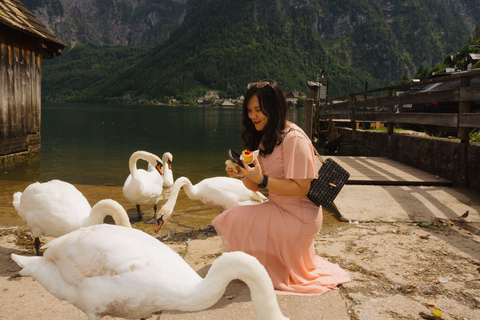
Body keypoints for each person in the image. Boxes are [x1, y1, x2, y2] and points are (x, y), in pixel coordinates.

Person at [212, 79, 351, 295]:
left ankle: (271, 265)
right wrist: (243, 173)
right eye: (249, 110)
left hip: (300, 216)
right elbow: (255, 186)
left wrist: (263, 180)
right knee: (233, 216)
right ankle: (269, 263)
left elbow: (301, 188)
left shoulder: (293, 138)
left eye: (258, 110)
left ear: (274, 108)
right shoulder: (268, 137)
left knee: (232, 219)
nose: (253, 116)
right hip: (280, 208)